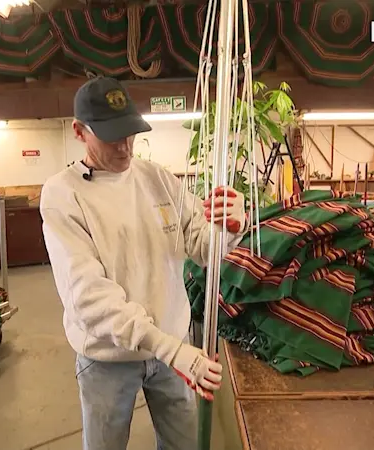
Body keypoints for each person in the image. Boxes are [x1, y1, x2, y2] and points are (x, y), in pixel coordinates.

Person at [40, 76, 248, 450]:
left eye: (130, 133)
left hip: (172, 350)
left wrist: (230, 226)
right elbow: (90, 299)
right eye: (110, 135)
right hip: (108, 359)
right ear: (79, 131)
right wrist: (173, 350)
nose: (124, 147)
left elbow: (202, 248)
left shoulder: (159, 180)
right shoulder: (63, 195)